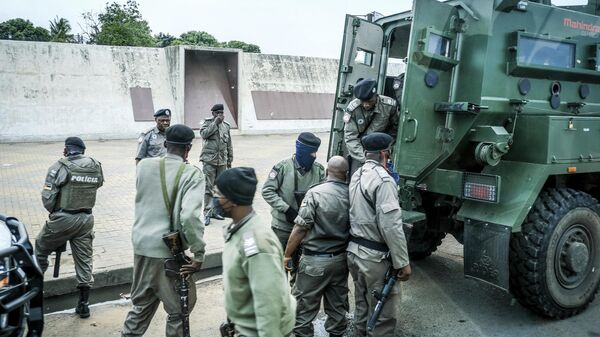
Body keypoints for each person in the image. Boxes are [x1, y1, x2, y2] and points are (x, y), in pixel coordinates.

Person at [121, 124, 206, 337]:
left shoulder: (144, 166)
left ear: (166, 144)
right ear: (188, 148)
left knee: (141, 305)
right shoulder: (192, 175)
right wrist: (198, 253)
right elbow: (189, 217)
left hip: (141, 247)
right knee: (178, 311)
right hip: (168, 252)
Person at [217, 167, 296, 337]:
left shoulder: (256, 243)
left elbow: (269, 304)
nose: (216, 199)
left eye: (219, 194)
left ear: (233, 200)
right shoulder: (239, 230)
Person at [347, 132, 411, 336]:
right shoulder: (384, 181)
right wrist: (403, 262)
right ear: (384, 154)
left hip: (355, 253)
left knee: (362, 308)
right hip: (374, 259)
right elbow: (391, 226)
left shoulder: (357, 174)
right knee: (382, 317)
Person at [36, 136, 104, 318]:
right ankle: (83, 305)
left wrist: (56, 213)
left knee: (40, 249)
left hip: (63, 219)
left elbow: (47, 198)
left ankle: (34, 293)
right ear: (83, 150)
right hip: (86, 219)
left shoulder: (59, 166)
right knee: (84, 260)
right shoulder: (96, 165)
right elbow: (98, 184)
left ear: (66, 149)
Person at [283, 156, 350, 337]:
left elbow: (300, 227)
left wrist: (287, 254)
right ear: (346, 174)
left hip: (315, 261)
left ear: (327, 171)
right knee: (337, 306)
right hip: (341, 260)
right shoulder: (352, 193)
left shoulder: (315, 193)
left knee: (303, 309)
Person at [261, 132, 325, 284]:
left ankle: (296, 303)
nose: (314, 156)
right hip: (282, 228)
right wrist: (287, 209)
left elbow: (323, 195)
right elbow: (267, 191)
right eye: (311, 152)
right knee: (278, 270)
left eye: (316, 152)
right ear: (301, 151)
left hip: (305, 230)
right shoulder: (282, 167)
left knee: (301, 271)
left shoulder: (319, 170)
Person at [343, 78, 399, 175]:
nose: (366, 105)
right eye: (362, 101)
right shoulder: (353, 109)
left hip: (381, 150)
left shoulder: (389, 105)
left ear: (376, 95)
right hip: (360, 152)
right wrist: (365, 159)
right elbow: (350, 137)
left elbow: (395, 129)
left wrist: (387, 148)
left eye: (369, 101)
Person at [199, 103, 233, 225]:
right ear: (213, 113)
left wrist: (229, 160)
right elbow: (204, 135)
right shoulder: (207, 123)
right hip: (209, 160)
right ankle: (207, 213)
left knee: (219, 188)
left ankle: (215, 211)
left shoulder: (226, 126)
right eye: (218, 113)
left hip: (222, 161)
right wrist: (215, 123)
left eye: (222, 113)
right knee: (208, 187)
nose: (221, 115)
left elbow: (229, 144)